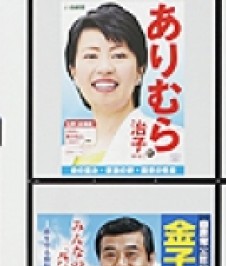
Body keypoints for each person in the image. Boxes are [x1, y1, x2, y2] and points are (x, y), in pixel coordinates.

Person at [63, 2, 178, 166]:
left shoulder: (172, 146)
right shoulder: (60, 157)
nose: (105, 68)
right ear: (73, 71)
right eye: (91, 56)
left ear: (140, 70)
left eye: (118, 56)